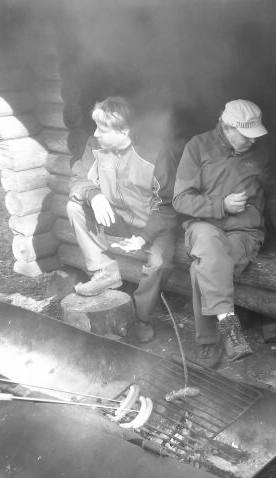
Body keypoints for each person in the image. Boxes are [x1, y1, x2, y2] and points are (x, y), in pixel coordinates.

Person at [173, 99, 276, 369]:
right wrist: (220, 205)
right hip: (203, 225)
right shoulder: (198, 147)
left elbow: (274, 190)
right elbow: (180, 199)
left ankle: (208, 341)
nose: (252, 141)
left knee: (202, 268)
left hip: (244, 231)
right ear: (227, 127)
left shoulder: (260, 154)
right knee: (207, 244)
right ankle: (230, 328)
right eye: (247, 135)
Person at [68, 96, 180, 343]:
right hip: (118, 221)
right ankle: (103, 271)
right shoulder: (94, 147)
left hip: (153, 224)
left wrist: (143, 237)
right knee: (75, 206)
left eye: (103, 129)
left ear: (125, 130)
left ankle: (142, 318)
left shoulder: (155, 152)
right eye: (96, 127)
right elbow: (77, 180)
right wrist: (94, 195)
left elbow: (168, 206)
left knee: (159, 263)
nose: (96, 134)